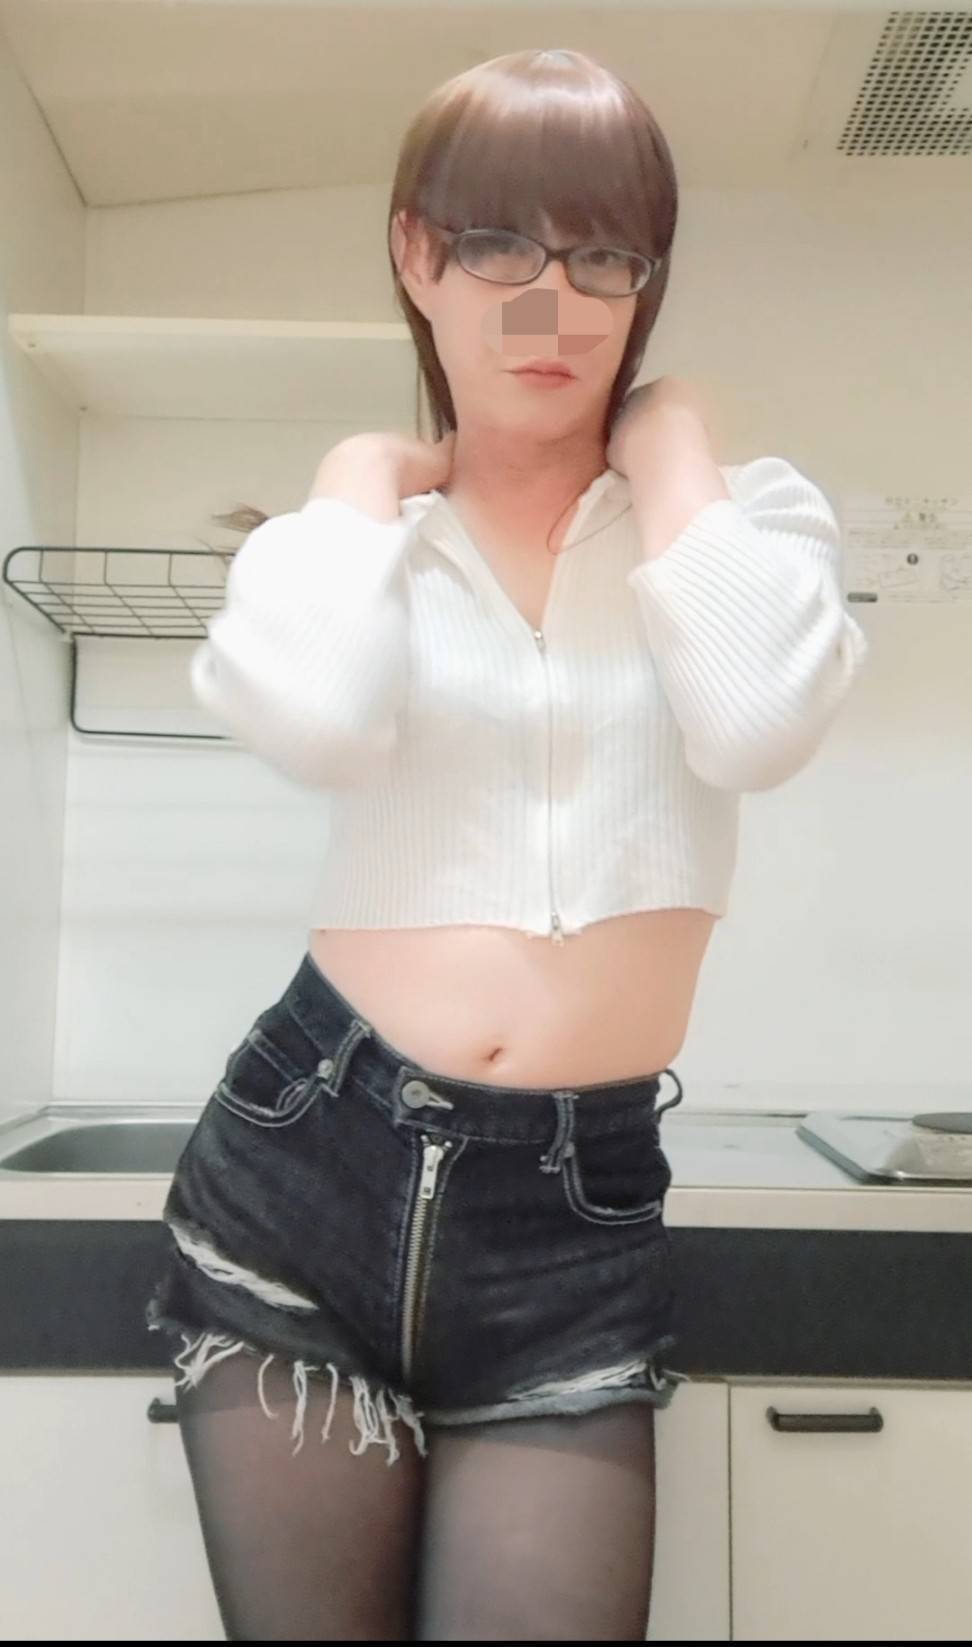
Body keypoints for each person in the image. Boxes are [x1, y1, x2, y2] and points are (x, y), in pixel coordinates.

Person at [145, 47, 869, 1641]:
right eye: (498, 247)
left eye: (604, 254)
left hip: (569, 1221)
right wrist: (353, 476)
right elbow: (318, 721)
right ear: (417, 255)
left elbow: (757, 725)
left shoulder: (742, 522)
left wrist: (672, 452)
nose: (555, 304)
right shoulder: (356, 546)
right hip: (303, 1174)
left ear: (648, 278)